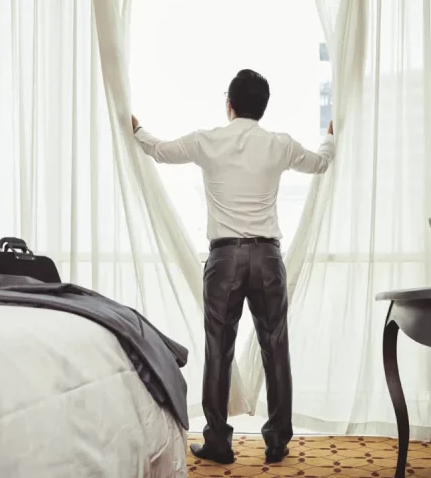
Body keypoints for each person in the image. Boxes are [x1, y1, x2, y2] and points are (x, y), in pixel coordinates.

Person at [131, 69, 334, 465]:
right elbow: (321, 163)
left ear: (230, 105)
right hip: (268, 258)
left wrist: (137, 130)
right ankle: (277, 440)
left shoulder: (208, 140)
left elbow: (160, 150)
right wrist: (329, 137)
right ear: (262, 106)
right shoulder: (280, 144)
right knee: (275, 348)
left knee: (218, 350)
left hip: (224, 259)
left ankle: (219, 443)